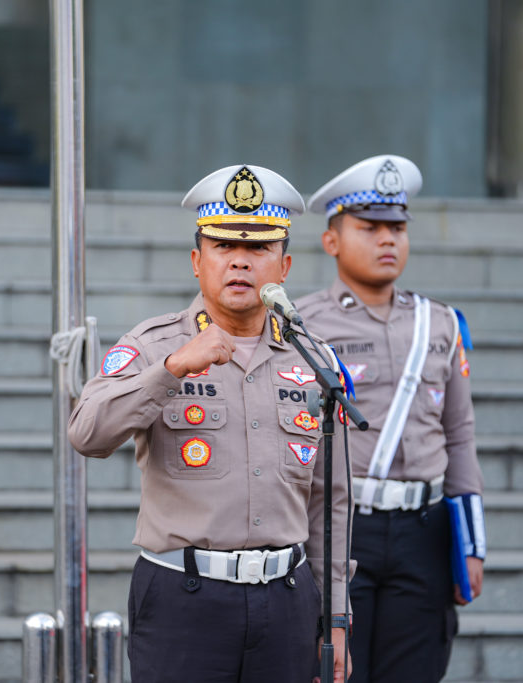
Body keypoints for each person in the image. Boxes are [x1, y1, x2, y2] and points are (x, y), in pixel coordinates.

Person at [68, 164, 352, 682]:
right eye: (223, 246)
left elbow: (329, 502)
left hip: (287, 600)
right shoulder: (153, 345)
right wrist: (172, 369)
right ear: (197, 261)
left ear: (284, 265)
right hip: (184, 601)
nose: (240, 260)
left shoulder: (313, 359)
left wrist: (336, 618)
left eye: (258, 248)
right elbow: (87, 433)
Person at [295, 155, 487, 683]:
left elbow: (459, 433)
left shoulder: (440, 323)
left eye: (397, 228)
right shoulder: (302, 325)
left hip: (423, 530)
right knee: (336, 670)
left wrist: (472, 545)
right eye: (369, 227)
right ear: (331, 240)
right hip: (340, 527)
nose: (387, 239)